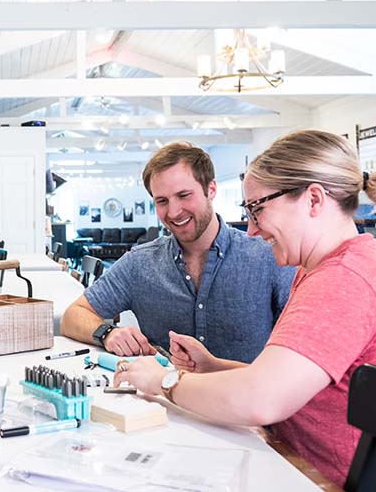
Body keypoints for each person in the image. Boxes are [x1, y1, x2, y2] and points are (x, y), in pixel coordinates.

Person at [114, 130, 376, 488]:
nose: (253, 230)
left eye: (258, 209)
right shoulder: (325, 268)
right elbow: (297, 382)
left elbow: (261, 400)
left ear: (314, 200)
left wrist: (163, 381)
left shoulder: (343, 281)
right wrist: (213, 367)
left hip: (321, 478)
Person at [60, 142, 295, 363]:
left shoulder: (269, 257)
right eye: (162, 201)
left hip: (248, 401)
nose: (173, 212)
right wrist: (108, 333)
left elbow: (297, 349)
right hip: (162, 402)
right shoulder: (139, 264)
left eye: (184, 195)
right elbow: (73, 316)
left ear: (211, 188)